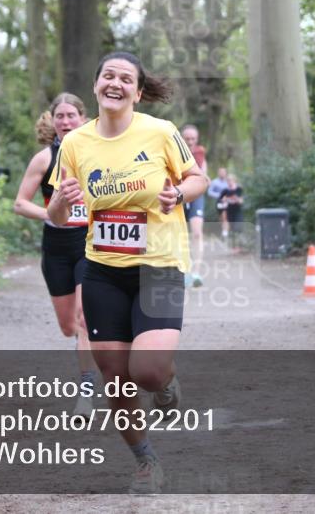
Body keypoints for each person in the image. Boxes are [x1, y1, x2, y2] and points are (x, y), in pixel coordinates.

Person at [47, 51, 208, 495]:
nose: (115, 83)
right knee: (116, 378)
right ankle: (145, 461)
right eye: (107, 76)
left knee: (149, 372)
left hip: (159, 265)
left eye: (125, 78)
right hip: (103, 270)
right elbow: (58, 214)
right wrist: (62, 200)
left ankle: (168, 380)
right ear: (96, 85)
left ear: (138, 92)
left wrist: (178, 193)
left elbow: (198, 178)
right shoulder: (76, 143)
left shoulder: (160, 132)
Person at [13, 93, 97, 417]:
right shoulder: (44, 158)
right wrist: (51, 213)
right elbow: (20, 203)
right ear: (53, 121)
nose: (65, 122)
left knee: (83, 320)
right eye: (59, 116)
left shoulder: (96, 154)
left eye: (71, 115)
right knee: (68, 327)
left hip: (89, 243)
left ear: (83, 119)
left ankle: (86, 392)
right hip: (57, 246)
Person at [180, 125, 207, 287]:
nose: (190, 141)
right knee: (180, 234)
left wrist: (205, 179)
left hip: (195, 196)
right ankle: (183, 272)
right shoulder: (175, 151)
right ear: (182, 138)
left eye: (192, 139)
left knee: (197, 233)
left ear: (196, 139)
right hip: (180, 194)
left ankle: (196, 272)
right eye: (187, 138)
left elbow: (204, 174)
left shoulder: (200, 153)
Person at [218, 174, 244, 251]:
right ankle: (234, 247)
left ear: (234, 180)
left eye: (231, 180)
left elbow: (241, 201)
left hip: (237, 211)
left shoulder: (239, 190)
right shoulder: (225, 191)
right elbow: (220, 201)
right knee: (232, 229)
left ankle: (239, 247)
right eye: (228, 181)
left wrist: (237, 199)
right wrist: (224, 200)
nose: (229, 182)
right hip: (228, 211)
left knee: (238, 228)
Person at [206, 167, 229, 239]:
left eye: (224, 172)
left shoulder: (228, 182)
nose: (222, 173)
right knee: (222, 217)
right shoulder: (215, 182)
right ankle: (224, 232)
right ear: (218, 173)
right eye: (221, 172)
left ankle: (225, 233)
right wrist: (220, 196)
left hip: (228, 202)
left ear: (226, 173)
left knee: (225, 216)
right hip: (219, 202)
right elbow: (209, 192)